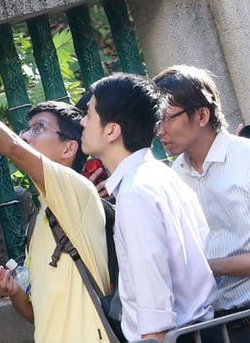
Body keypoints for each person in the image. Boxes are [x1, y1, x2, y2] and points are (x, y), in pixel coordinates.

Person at [0, 58, 112, 342]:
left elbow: (11, 146)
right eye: (27, 129)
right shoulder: (39, 220)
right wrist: (14, 291)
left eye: (38, 129)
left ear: (69, 148)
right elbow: (36, 316)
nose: (26, 136)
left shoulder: (77, 191)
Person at [154, 65, 250, 342]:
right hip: (213, 324)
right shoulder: (174, 174)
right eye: (154, 121)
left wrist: (212, 266)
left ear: (202, 114)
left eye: (166, 118)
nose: (159, 131)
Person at [81, 72, 216, 341]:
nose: (82, 122)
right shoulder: (161, 176)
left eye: (89, 114)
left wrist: (154, 336)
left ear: (112, 130)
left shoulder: (135, 193)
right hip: (199, 329)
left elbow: (153, 297)